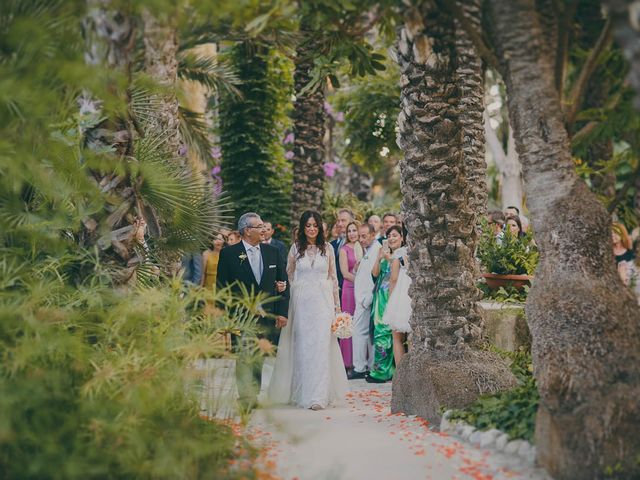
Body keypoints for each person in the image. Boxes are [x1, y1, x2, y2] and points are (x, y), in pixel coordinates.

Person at [269, 211, 348, 410]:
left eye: (315, 225)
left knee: (321, 346)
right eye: (308, 226)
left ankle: (318, 396)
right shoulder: (295, 249)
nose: (311, 229)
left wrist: (338, 309)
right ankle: (303, 391)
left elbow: (333, 279)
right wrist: (285, 301)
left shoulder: (328, 248)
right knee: (304, 346)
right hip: (302, 302)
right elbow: (288, 277)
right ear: (302, 228)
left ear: (320, 227)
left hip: (323, 303)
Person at [216, 213, 289, 409]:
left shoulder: (273, 252)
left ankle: (254, 393)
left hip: (266, 315)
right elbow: (222, 288)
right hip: (240, 315)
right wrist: (224, 318)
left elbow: (283, 283)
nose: (264, 229)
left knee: (258, 355)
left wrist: (282, 312)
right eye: (259, 226)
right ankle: (245, 395)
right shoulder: (229, 254)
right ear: (247, 231)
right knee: (243, 355)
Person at [367, 225, 404, 383]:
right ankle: (381, 369)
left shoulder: (403, 254)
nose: (392, 238)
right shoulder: (385, 254)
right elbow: (375, 274)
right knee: (380, 332)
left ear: (402, 237)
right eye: (389, 236)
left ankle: (386, 371)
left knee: (390, 334)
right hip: (380, 297)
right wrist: (379, 257)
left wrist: (390, 258)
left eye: (395, 235)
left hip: (395, 296)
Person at [351, 223, 380, 379]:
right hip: (362, 299)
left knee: (362, 333)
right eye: (360, 236)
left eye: (364, 236)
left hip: (366, 299)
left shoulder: (377, 250)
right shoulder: (368, 250)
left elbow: (376, 276)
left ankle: (360, 367)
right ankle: (365, 366)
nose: (361, 239)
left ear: (373, 235)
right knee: (365, 334)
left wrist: (366, 299)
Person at [382, 226, 412, 365]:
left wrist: (389, 301)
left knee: (397, 338)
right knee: (413, 337)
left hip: (400, 297)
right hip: (413, 295)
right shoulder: (416, 252)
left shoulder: (399, 253)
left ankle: (400, 373)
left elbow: (393, 279)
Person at [338, 221, 364, 373]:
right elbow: (345, 273)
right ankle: (347, 363)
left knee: (361, 325)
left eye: (355, 230)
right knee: (349, 324)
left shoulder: (363, 248)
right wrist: (361, 282)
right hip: (349, 289)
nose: (352, 233)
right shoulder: (344, 250)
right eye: (350, 231)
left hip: (363, 290)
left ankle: (360, 361)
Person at [612, 222, 640, 301]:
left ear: (622, 234)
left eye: (616, 233)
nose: (613, 236)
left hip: (629, 286)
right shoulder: (608, 251)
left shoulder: (630, 252)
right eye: (611, 233)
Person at [330, 208, 355, 294]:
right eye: (338, 221)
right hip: (333, 291)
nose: (340, 224)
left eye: (343, 220)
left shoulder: (358, 244)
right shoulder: (331, 245)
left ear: (352, 222)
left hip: (351, 289)